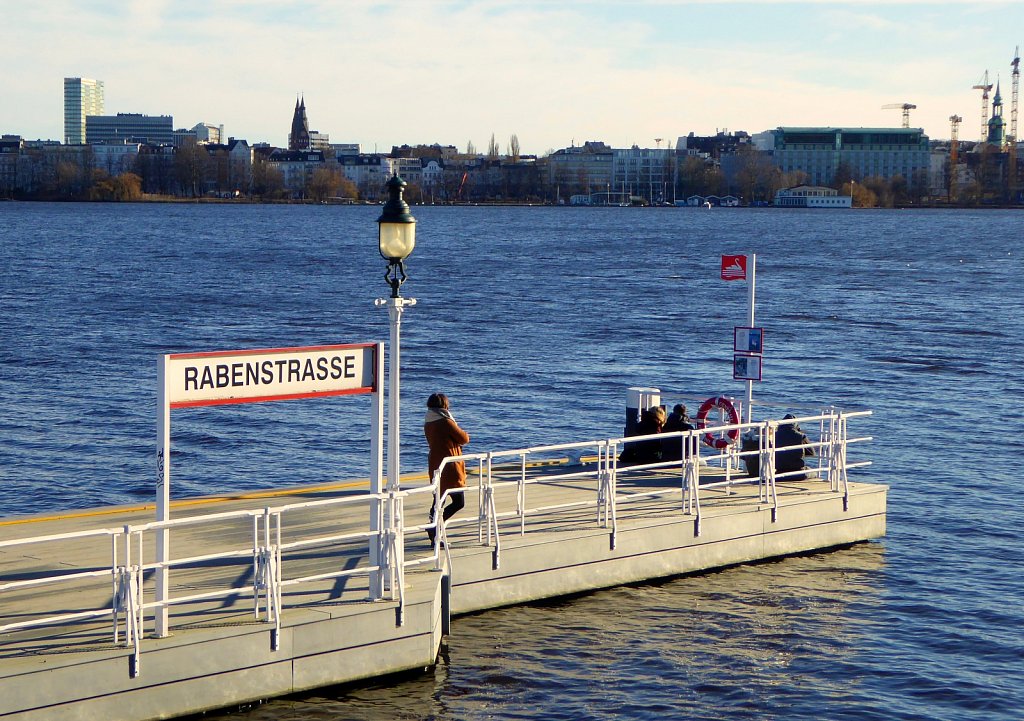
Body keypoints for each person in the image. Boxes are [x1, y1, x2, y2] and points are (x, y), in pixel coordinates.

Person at [424, 392, 471, 545]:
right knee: (459, 501)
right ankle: (435, 528)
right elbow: (464, 438)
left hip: (435, 463)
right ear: (444, 405)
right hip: (450, 465)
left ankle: (434, 535)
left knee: (438, 500)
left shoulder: (428, 421)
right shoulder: (445, 421)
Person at [774, 414, 815, 480]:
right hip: (798, 471)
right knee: (813, 472)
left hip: (780, 471)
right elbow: (812, 453)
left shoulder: (775, 435)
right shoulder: (800, 436)